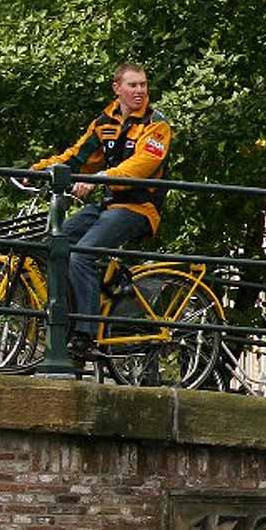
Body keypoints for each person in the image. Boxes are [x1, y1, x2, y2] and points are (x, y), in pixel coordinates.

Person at [30, 62, 174, 354]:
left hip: (139, 207)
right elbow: (79, 156)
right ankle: (69, 317)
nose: (139, 91)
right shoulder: (104, 122)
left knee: (82, 255)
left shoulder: (156, 124)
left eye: (143, 85)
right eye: (132, 85)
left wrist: (102, 178)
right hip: (108, 204)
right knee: (55, 244)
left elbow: (142, 165)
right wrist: (37, 171)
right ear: (117, 88)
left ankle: (85, 333)